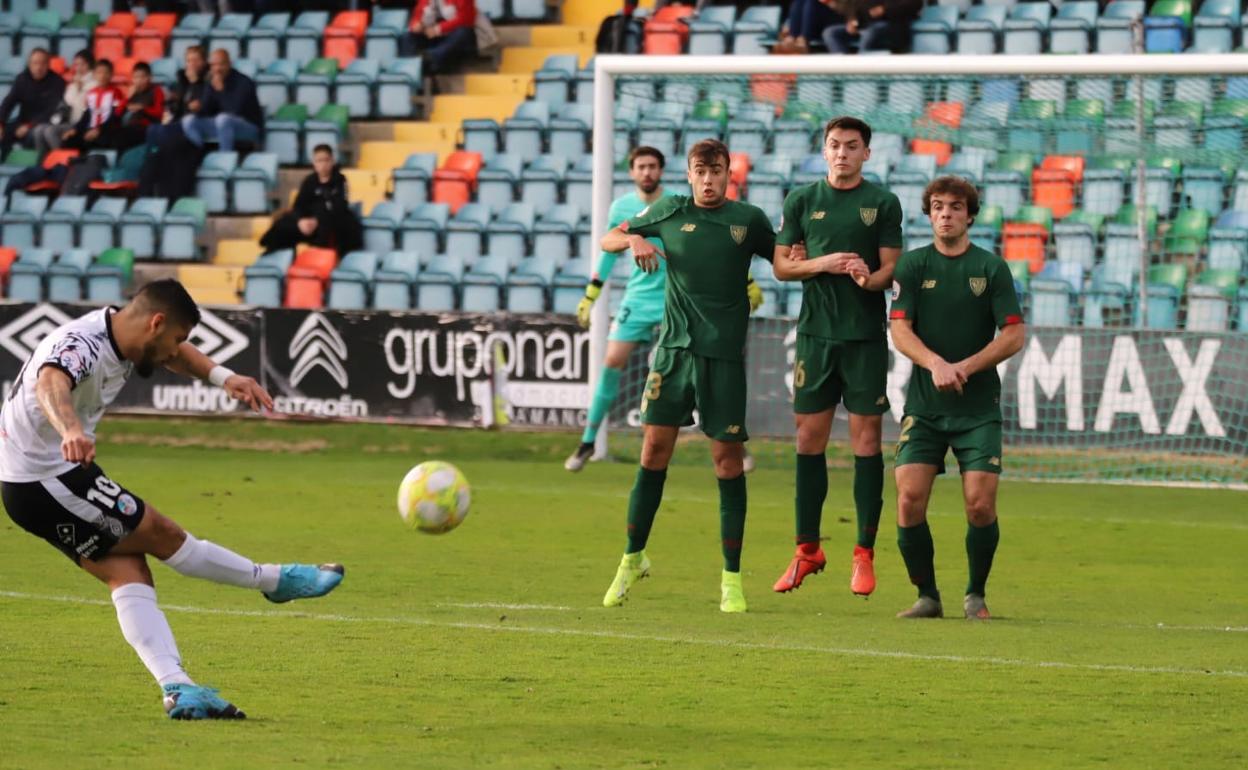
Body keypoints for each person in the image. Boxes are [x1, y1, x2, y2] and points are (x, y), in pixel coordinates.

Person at [0, 279, 345, 719]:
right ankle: (274, 581)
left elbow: (177, 356)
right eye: (175, 338)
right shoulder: (80, 344)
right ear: (156, 322)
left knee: (128, 572)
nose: (173, 351)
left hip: (44, 478)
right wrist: (70, 429)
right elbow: (50, 381)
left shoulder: (122, 334)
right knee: (162, 534)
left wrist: (225, 378)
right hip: (46, 478)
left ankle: (178, 689)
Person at [599, 139, 775, 614]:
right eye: (701, 171)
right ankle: (631, 560)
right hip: (672, 354)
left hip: (723, 360)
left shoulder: (749, 220)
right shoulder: (669, 210)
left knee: (727, 463)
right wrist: (635, 238)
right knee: (654, 452)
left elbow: (785, 261)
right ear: (690, 174)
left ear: (728, 175)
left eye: (717, 171)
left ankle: (731, 579)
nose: (709, 179)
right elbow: (607, 239)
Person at [566, 145, 763, 473]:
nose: (646, 172)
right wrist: (591, 295)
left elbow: (719, 250)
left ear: (662, 170)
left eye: (652, 166)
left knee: (704, 367)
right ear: (631, 172)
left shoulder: (676, 204)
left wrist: (748, 281)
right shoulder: (622, 207)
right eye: (640, 166)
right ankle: (588, 442)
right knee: (613, 360)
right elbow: (608, 248)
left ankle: (734, 447)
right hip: (639, 298)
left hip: (681, 299)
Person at [771, 116, 902, 597]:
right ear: (823, 151)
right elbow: (783, 266)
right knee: (809, 440)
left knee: (867, 442)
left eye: (852, 146)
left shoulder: (881, 203)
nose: (842, 153)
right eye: (834, 145)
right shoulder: (802, 200)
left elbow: (893, 267)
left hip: (864, 337)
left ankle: (863, 555)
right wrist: (823, 263)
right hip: (815, 337)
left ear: (867, 153)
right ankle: (807, 550)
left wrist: (873, 278)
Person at [887, 176, 1024, 619]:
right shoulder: (912, 266)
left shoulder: (990, 268)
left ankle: (975, 594)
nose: (946, 214)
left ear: (970, 215)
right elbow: (900, 328)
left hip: (978, 410)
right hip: (924, 408)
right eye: (939, 207)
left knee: (980, 506)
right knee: (908, 499)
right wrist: (936, 364)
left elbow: (1014, 333)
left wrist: (966, 366)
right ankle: (927, 596)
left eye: (956, 207)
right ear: (929, 214)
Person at [259, 144, 363, 255]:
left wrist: (316, 220)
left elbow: (340, 206)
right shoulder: (309, 181)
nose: (323, 164)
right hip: (308, 225)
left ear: (332, 161)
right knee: (284, 221)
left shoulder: (340, 180)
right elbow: (298, 206)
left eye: (326, 160)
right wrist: (301, 221)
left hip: (328, 225)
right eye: (319, 161)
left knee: (340, 221)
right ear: (314, 163)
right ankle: (272, 250)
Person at [181, 49, 263, 153]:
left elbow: (235, 111)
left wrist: (221, 91)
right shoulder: (211, 80)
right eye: (213, 65)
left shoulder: (244, 82)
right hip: (221, 124)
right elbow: (206, 111)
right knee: (189, 121)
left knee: (223, 119)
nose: (217, 69)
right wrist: (197, 107)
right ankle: (198, 156)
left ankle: (224, 158)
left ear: (229, 64)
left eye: (221, 64)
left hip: (249, 126)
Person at [0, 48, 66, 157]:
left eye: (43, 63)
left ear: (48, 64)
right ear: (29, 64)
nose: (39, 67)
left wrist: (29, 126)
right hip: (22, 122)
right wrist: (1, 123)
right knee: (4, 133)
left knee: (33, 134)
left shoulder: (57, 82)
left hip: (43, 124)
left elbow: (51, 110)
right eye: (35, 63)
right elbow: (9, 102)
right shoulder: (22, 79)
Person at [32, 49, 92, 157]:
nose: (79, 68)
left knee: (50, 131)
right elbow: (67, 103)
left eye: (83, 64)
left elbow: (86, 106)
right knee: (38, 130)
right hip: (67, 122)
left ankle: (62, 160)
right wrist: (76, 88)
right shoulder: (73, 84)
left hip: (81, 124)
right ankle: (41, 161)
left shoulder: (95, 83)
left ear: (90, 64)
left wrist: (81, 90)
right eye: (76, 64)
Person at [148, 45, 208, 148]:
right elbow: (178, 106)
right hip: (179, 121)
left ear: (203, 62)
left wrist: (195, 82)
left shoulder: (208, 80)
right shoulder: (182, 80)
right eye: (188, 61)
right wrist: (169, 112)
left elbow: (199, 105)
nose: (192, 64)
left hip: (196, 123)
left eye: (196, 60)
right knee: (153, 129)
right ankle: (154, 155)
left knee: (165, 132)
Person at [62, 59, 126, 152]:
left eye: (106, 73)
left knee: (98, 141)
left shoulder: (116, 93)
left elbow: (115, 117)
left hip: (106, 131)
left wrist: (98, 130)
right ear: (94, 75)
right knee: (68, 141)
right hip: (90, 129)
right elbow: (86, 116)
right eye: (99, 73)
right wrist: (75, 129)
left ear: (111, 75)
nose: (103, 76)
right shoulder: (90, 93)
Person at [402, 0, 479, 74]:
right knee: (407, 37)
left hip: (456, 36)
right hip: (433, 34)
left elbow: (466, 19)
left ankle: (429, 59)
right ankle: (410, 67)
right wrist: (417, 24)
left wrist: (439, 29)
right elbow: (417, 15)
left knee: (463, 32)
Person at [823, 0, 922, 54]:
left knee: (870, 32)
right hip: (863, 25)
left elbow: (915, 3)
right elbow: (854, 5)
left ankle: (861, 72)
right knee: (831, 33)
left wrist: (885, 10)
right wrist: (852, 20)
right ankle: (843, 70)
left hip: (892, 25)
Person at [119, 62, 165, 150]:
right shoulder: (132, 92)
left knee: (124, 136)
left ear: (150, 77)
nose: (139, 80)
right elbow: (118, 113)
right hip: (130, 127)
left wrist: (142, 109)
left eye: (142, 77)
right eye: (136, 77)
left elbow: (159, 114)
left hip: (147, 129)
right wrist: (127, 98)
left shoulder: (157, 91)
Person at [776, 0, 842, 53]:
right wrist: (787, 24)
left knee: (811, 2)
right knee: (799, 1)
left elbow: (843, 7)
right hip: (814, 22)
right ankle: (793, 37)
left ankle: (803, 41)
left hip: (838, 18)